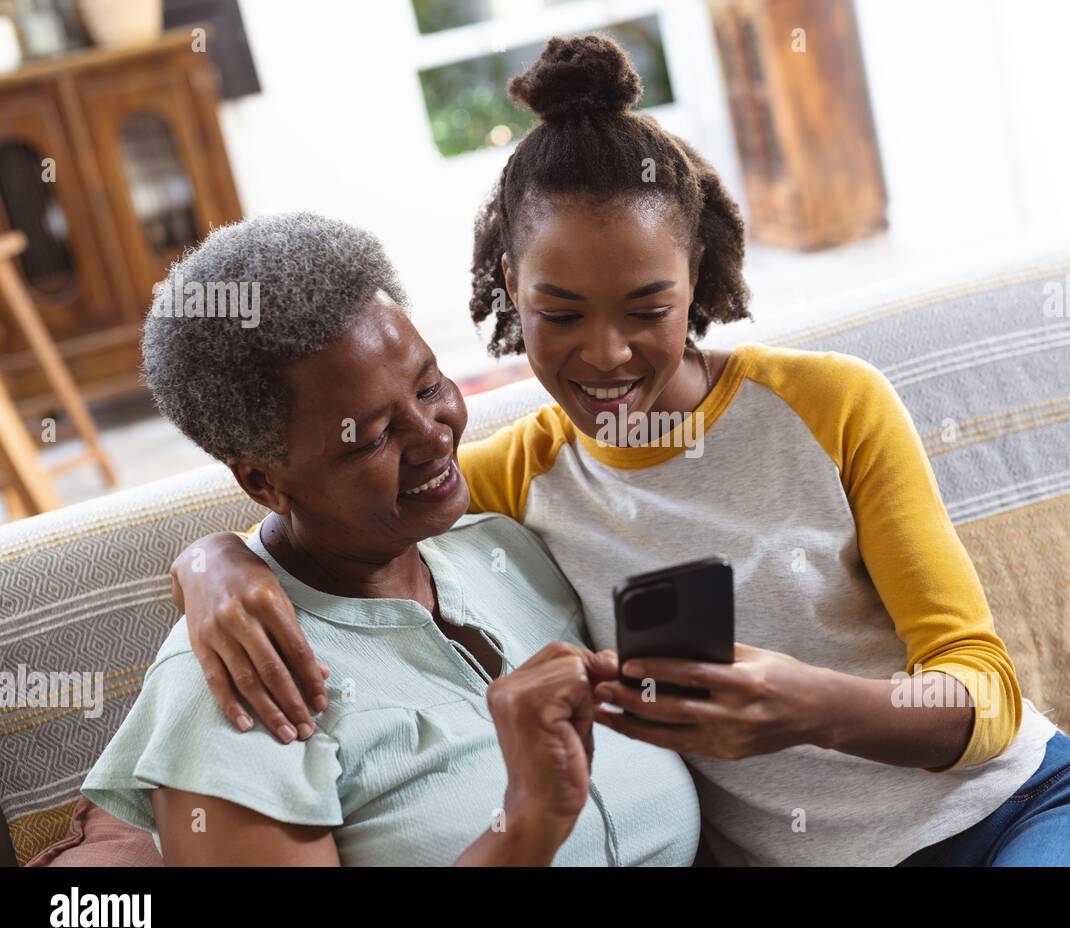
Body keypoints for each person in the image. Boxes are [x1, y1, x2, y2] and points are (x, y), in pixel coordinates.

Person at [165, 36, 1070, 866]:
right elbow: (344, 516)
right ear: (503, 296)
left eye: (648, 308)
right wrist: (215, 563)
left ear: (699, 280)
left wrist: (818, 708)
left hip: (1028, 815)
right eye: (558, 314)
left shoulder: (833, 405)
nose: (604, 355)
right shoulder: (519, 473)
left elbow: (985, 694)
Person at [81, 212, 700, 866]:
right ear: (263, 481)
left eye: (429, 385)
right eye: (373, 436)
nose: (434, 435)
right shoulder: (237, 684)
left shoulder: (508, 551)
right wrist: (525, 829)